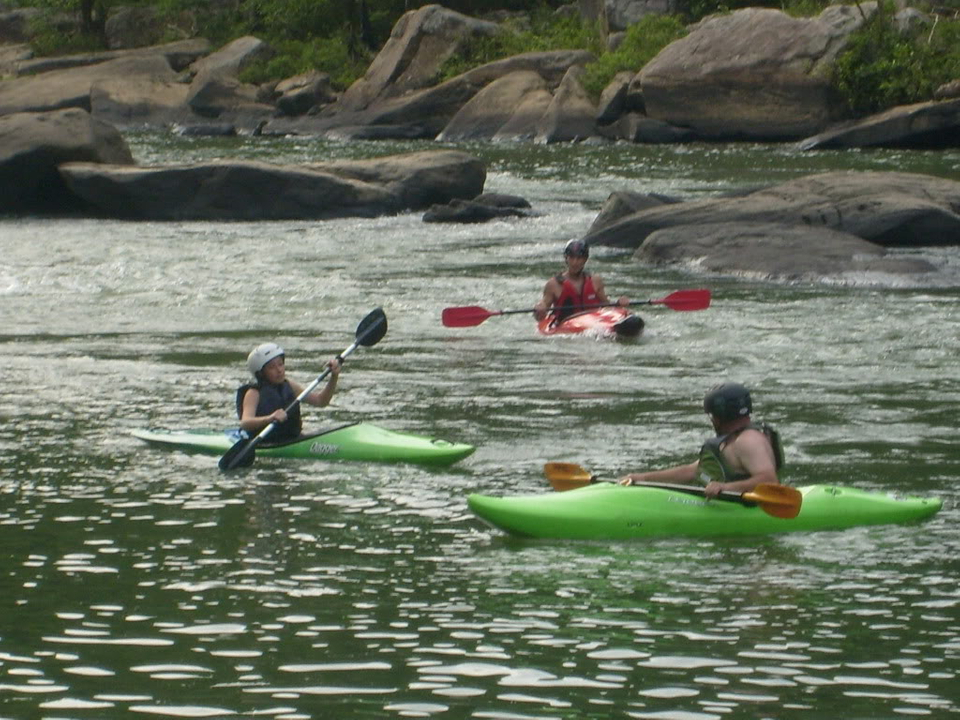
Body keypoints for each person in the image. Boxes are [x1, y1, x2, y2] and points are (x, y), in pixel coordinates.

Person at [619, 383, 783, 499]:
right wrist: (642, 478)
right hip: (730, 503)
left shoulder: (748, 440)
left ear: (719, 416)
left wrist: (724, 488)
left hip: (746, 507)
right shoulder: (734, 440)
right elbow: (693, 470)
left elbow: (768, 480)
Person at [237, 342, 341, 442]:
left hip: (293, 439)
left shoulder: (289, 385)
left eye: (280, 364)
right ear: (261, 373)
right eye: (272, 367)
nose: (279, 370)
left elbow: (321, 401)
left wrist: (334, 376)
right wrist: (269, 418)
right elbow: (245, 423)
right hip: (266, 442)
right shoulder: (254, 393)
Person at [533, 239, 629, 325]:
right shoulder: (553, 284)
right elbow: (542, 313)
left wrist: (619, 304)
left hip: (594, 324)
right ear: (566, 258)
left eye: (579, 258)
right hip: (565, 325)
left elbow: (607, 306)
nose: (575, 262)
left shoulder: (595, 281)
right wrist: (539, 309)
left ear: (585, 259)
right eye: (572, 258)